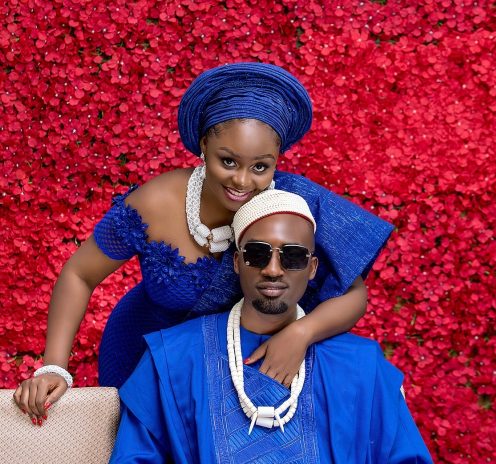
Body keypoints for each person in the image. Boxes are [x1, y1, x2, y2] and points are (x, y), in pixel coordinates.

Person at [14, 63, 394, 425]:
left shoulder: (291, 205)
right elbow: (80, 274)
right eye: (228, 161)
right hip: (143, 357)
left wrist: (301, 333)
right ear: (203, 146)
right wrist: (54, 366)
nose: (242, 181)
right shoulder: (155, 204)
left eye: (260, 167)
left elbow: (353, 295)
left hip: (236, 367)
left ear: (277, 161)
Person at [109, 190, 432, 463]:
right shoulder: (173, 358)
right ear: (237, 262)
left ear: (312, 268)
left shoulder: (360, 365)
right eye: (257, 254)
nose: (273, 270)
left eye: (293, 257)